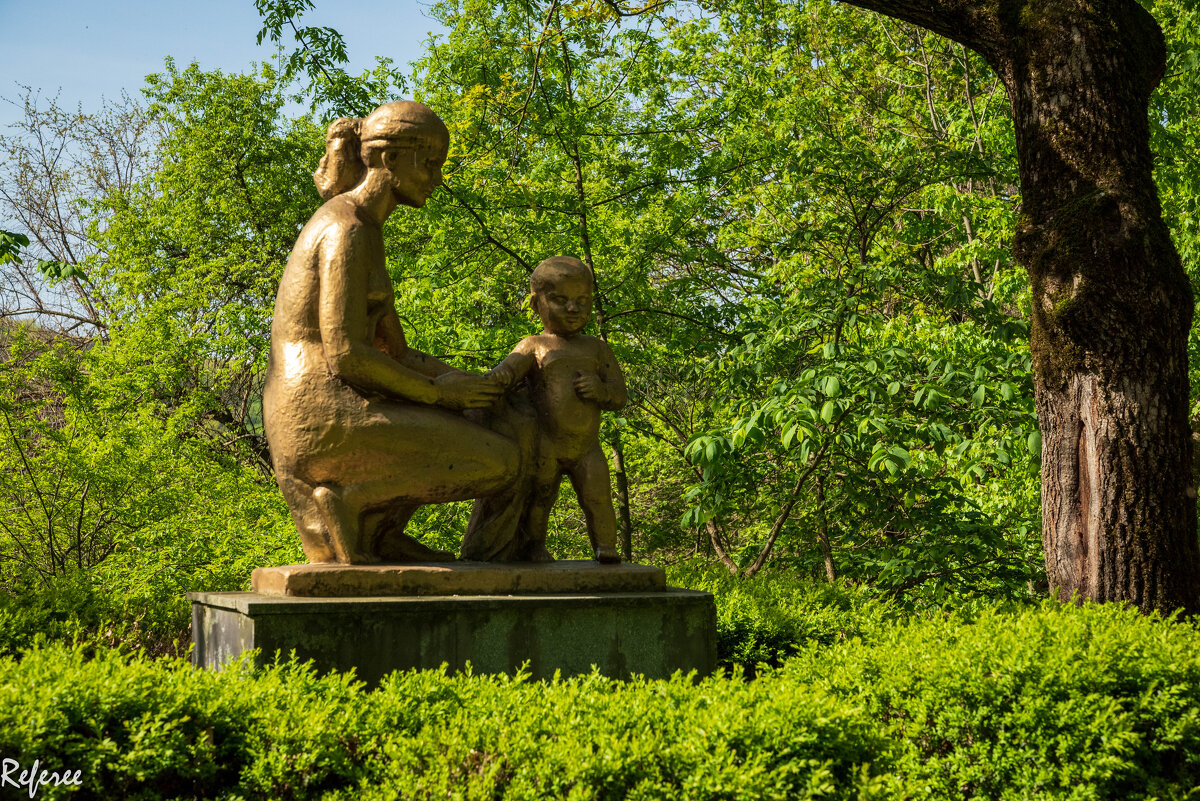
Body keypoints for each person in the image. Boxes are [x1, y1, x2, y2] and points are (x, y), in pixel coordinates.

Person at [263, 101, 520, 565]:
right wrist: (440, 396)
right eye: (430, 164)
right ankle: (352, 500)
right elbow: (345, 355)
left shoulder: (367, 230)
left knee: (494, 419)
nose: (436, 178)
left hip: (338, 403)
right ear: (388, 158)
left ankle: (378, 535)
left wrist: (473, 386)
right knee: (499, 462)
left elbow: (394, 353)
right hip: (321, 414)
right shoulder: (348, 230)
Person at [481, 256, 627, 563]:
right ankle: (533, 547)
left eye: (582, 301)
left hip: (587, 446)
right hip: (544, 443)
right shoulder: (534, 346)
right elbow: (503, 376)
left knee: (599, 497)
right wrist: (476, 386)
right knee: (539, 498)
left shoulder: (597, 349)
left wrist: (601, 391)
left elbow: (619, 395)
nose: (573, 309)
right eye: (560, 300)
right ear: (536, 304)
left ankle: (606, 549)